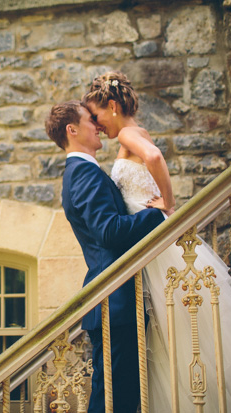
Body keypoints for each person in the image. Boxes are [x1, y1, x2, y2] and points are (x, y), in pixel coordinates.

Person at [82, 70, 231, 412]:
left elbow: (154, 158)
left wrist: (168, 204)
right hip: (149, 240)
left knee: (176, 328)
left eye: (97, 115)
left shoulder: (129, 134)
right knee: (172, 331)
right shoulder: (131, 133)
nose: (97, 124)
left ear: (112, 105)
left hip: (154, 241)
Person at [45, 100, 169, 413]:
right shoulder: (84, 174)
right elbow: (109, 231)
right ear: (72, 130)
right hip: (115, 301)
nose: (98, 125)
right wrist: (157, 215)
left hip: (116, 301)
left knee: (120, 395)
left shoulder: (83, 172)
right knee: (115, 398)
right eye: (91, 120)